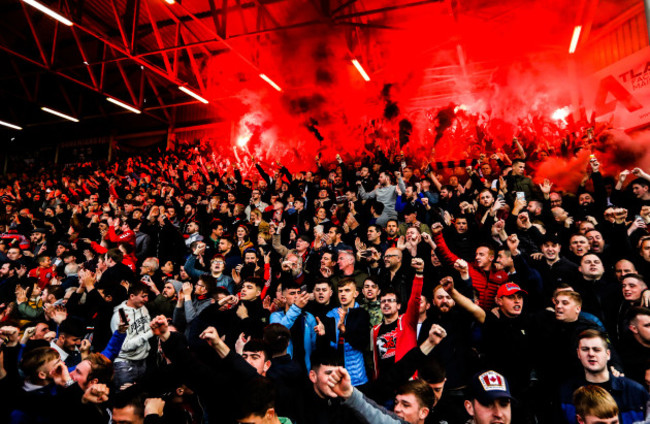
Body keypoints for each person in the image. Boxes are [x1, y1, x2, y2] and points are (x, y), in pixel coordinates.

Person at [558, 329, 648, 424]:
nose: (591, 354)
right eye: (585, 349)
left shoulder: (634, 391)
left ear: (608, 354)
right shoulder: (566, 392)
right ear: (578, 353)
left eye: (597, 350)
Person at [110, 282, 153, 388]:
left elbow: (146, 328)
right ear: (132, 296)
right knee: (125, 399)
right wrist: (150, 333)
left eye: (147, 296)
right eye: (143, 296)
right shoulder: (120, 316)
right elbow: (124, 346)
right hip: (125, 365)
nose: (146, 299)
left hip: (142, 361)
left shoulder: (143, 308)